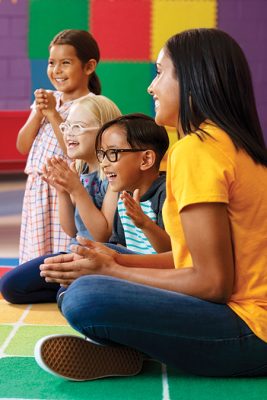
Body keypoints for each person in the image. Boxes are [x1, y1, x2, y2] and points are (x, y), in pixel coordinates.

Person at [34, 28, 267, 381]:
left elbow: (213, 282)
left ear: (193, 78)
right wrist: (115, 258)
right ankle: (130, 351)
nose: (150, 87)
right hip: (244, 320)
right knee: (81, 282)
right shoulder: (236, 146)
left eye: (160, 72)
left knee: (86, 296)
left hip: (249, 330)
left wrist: (111, 271)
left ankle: (133, 349)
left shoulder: (197, 150)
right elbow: (196, 259)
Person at [0, 95, 121, 304]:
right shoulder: (79, 168)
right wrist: (62, 190)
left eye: (79, 127)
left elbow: (102, 233)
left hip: (102, 258)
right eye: (67, 127)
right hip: (74, 251)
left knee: (67, 296)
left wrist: (76, 189)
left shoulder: (112, 175)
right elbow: (71, 230)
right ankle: (70, 290)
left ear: (105, 131)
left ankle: (76, 291)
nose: (69, 133)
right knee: (11, 287)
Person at [17, 29, 102, 263]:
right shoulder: (47, 100)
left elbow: (73, 150)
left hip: (64, 194)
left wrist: (53, 113)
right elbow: (22, 146)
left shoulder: (90, 105)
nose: (56, 70)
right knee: (36, 258)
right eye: (52, 63)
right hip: (37, 190)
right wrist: (39, 113)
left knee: (62, 254)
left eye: (66, 63)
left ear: (88, 66)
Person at [95, 113, 171, 255]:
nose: (103, 163)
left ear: (146, 160)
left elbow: (174, 253)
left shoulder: (166, 193)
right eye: (101, 154)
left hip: (157, 273)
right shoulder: (124, 195)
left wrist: (144, 223)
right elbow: (120, 246)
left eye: (113, 153)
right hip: (132, 267)